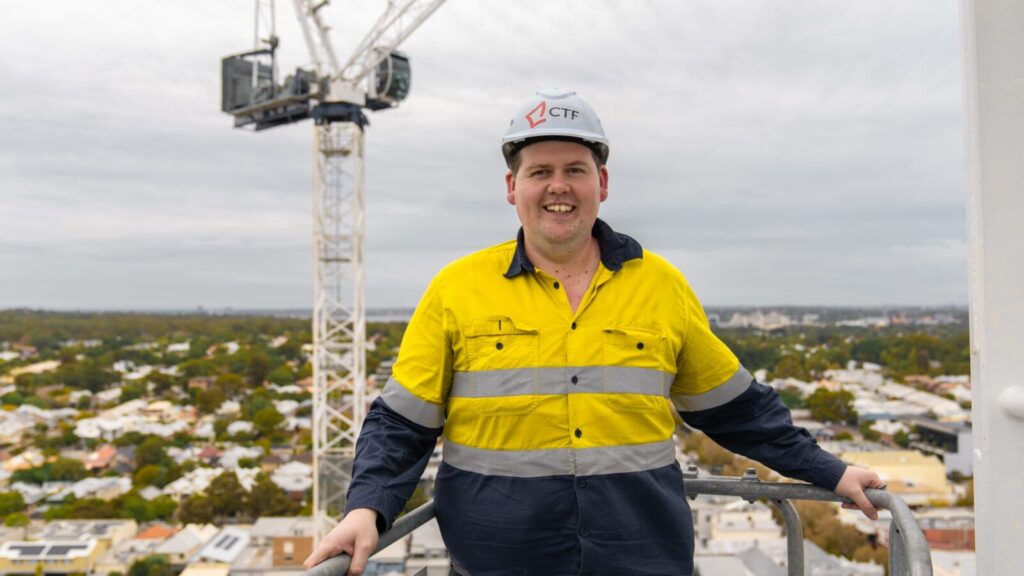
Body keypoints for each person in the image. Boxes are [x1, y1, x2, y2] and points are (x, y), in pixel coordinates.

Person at [304, 89, 883, 576]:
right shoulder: (455, 290)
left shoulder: (661, 285)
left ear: (602, 182)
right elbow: (402, 424)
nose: (559, 186)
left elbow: (737, 410)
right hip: (499, 557)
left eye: (575, 170)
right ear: (513, 188)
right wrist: (367, 509)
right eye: (540, 172)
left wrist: (830, 470)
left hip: (642, 553)